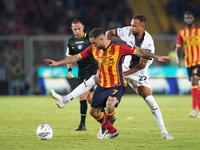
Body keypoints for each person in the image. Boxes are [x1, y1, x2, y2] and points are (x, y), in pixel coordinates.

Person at [51, 15, 174, 140]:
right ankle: (66, 100)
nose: (131, 27)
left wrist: (156, 56)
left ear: (142, 26)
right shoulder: (125, 32)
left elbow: (141, 64)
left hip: (138, 72)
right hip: (123, 66)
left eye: (134, 26)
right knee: (96, 78)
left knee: (150, 100)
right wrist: (106, 45)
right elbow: (109, 33)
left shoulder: (147, 42)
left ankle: (164, 132)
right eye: (131, 24)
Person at [64, 19, 99, 131]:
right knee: (90, 99)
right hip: (81, 71)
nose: (77, 31)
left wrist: (99, 69)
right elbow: (70, 58)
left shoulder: (90, 39)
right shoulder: (70, 41)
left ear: (83, 27)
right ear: (72, 29)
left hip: (92, 70)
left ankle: (82, 125)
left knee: (82, 96)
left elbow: (99, 54)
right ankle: (107, 116)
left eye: (79, 28)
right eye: (75, 29)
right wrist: (69, 70)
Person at [175, 11, 200, 118]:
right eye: (187, 18)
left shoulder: (199, 31)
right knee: (194, 84)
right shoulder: (181, 32)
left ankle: (194, 109)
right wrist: (178, 59)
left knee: (195, 80)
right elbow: (178, 47)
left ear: (193, 19)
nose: (189, 20)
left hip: (198, 61)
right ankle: (196, 109)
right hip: (188, 62)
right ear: (184, 20)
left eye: (190, 18)